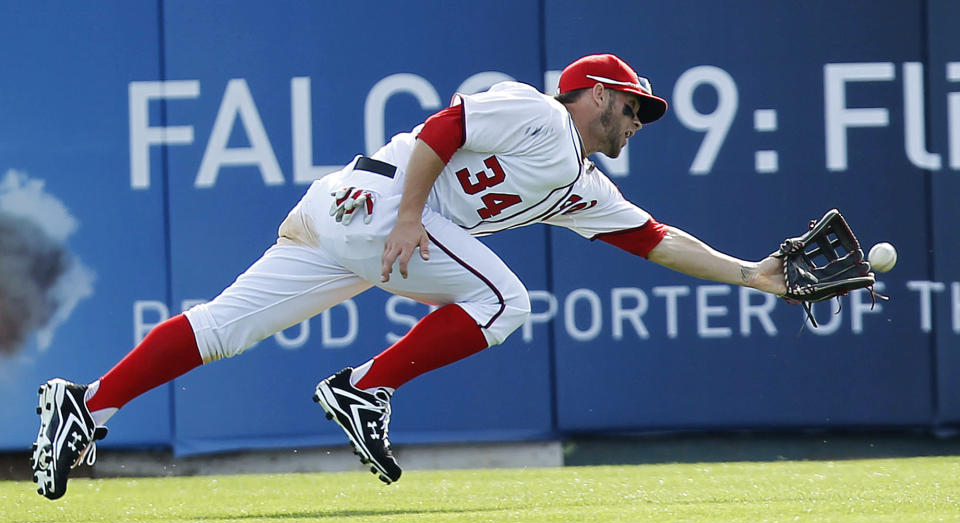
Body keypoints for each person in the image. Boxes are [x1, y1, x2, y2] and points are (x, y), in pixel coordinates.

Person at [31, 54, 787, 499]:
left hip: (342, 209)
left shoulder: (582, 182)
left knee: (224, 327)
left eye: (643, 115)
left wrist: (752, 275)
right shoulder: (539, 112)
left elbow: (654, 239)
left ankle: (87, 404)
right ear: (593, 93)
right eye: (632, 107)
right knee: (504, 300)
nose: (637, 121)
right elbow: (442, 131)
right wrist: (409, 217)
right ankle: (365, 386)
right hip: (389, 207)